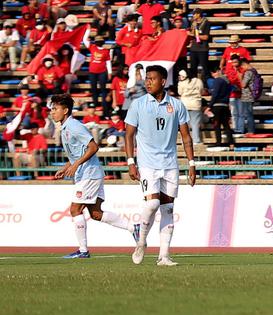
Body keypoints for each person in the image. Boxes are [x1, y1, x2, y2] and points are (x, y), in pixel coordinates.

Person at [52, 94, 138, 259]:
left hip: (88, 174)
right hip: (90, 173)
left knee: (75, 209)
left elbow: (93, 147)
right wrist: (66, 167)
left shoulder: (73, 126)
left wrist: (76, 165)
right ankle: (134, 228)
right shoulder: (65, 127)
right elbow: (78, 153)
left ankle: (83, 251)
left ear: (66, 111)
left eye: (55, 109)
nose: (52, 113)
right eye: (52, 109)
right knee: (96, 214)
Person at [124, 65, 194, 266]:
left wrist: (191, 164)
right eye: (147, 79)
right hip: (147, 164)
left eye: (152, 79)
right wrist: (131, 162)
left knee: (168, 209)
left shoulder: (177, 105)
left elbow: (186, 137)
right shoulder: (138, 104)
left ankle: (164, 256)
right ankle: (141, 241)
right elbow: (128, 135)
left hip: (170, 164)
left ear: (163, 81)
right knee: (152, 204)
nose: (148, 82)